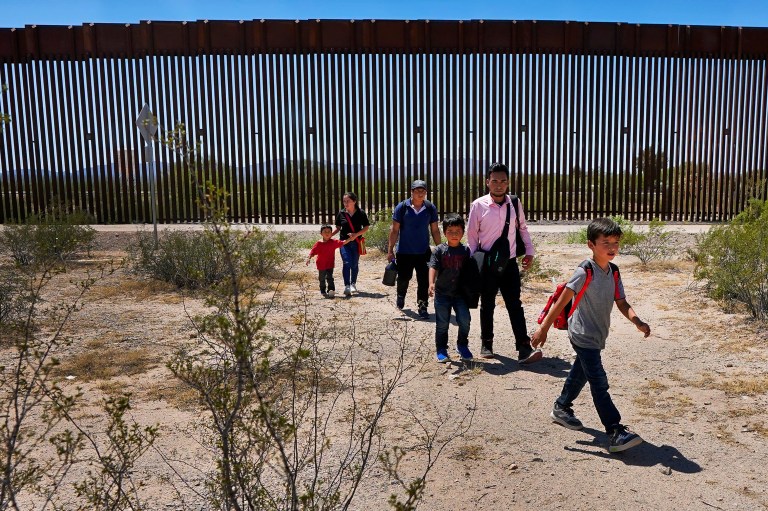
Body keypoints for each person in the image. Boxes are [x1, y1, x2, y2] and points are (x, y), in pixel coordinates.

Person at [531, 217, 651, 453]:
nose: (612, 247)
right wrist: (543, 327)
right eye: (605, 242)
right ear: (591, 245)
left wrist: (637, 321)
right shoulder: (585, 271)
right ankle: (615, 431)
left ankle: (561, 407)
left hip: (597, 334)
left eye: (615, 242)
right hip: (582, 333)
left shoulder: (614, 272)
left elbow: (621, 301)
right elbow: (562, 299)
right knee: (598, 382)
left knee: (582, 372)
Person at [466, 162, 541, 363]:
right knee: (487, 303)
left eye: (503, 181)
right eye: (495, 181)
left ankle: (523, 347)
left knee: (514, 304)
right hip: (488, 264)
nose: (499, 185)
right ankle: (486, 342)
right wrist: (475, 264)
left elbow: (523, 229)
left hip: (509, 263)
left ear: (508, 183)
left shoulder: (514, 203)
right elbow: (472, 236)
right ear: (487, 182)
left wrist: (530, 252)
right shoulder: (478, 205)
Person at [387, 179, 441, 319]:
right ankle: (401, 295)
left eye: (422, 191)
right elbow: (394, 230)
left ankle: (422, 306)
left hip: (423, 252)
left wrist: (440, 248)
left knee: (423, 280)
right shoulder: (402, 207)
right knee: (404, 277)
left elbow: (435, 230)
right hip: (404, 251)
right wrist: (390, 250)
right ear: (411, 192)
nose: (420, 193)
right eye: (417, 190)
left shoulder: (430, 208)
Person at [428, 214, 473, 363]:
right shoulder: (439, 250)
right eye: (450, 231)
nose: (454, 234)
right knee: (442, 324)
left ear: (463, 232)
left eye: (457, 231)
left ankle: (462, 345)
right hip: (442, 294)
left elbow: (471, 271)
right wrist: (431, 283)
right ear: (444, 232)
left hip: (460, 294)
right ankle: (441, 349)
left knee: (465, 320)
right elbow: (433, 266)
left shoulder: (466, 251)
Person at [333, 192, 370, 297]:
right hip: (344, 243)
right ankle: (347, 286)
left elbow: (366, 227)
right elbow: (338, 227)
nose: (345, 203)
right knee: (346, 262)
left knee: (354, 264)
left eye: (348, 201)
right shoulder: (341, 213)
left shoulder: (361, 213)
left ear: (354, 201)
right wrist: (330, 235)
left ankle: (353, 283)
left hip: (356, 243)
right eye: (344, 201)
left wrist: (355, 235)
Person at [305, 224, 350, 298]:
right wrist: (308, 258)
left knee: (330, 277)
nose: (327, 233)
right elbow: (313, 252)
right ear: (321, 233)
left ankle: (331, 290)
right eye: (325, 231)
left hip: (330, 264)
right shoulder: (319, 243)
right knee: (321, 278)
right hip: (321, 264)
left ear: (331, 233)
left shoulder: (334, 242)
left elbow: (343, 242)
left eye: (329, 231)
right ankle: (322, 290)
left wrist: (350, 239)